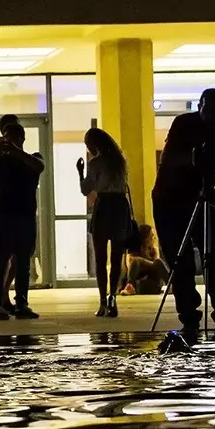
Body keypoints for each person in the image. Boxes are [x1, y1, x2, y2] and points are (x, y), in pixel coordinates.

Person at [153, 87, 215, 341]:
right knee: (181, 261)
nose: (211, 114)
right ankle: (189, 316)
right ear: (199, 106)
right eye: (207, 108)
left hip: (202, 198)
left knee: (213, 255)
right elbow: (171, 159)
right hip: (170, 200)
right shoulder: (183, 124)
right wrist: (197, 158)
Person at [0, 115, 44, 320]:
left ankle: (22, 302)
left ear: (22, 138)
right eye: (6, 137)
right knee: (1, 260)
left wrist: (16, 152)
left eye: (12, 137)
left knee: (24, 261)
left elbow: (39, 166)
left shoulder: (32, 158)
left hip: (25, 216)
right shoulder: (0, 162)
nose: (8, 141)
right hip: (4, 216)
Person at [78, 126, 132, 319]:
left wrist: (80, 172)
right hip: (120, 207)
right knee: (116, 259)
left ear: (93, 145)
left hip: (104, 207)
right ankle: (113, 299)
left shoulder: (95, 163)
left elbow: (86, 189)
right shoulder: (120, 161)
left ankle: (103, 302)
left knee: (101, 259)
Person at [125, 225, 169, 295]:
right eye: (151, 235)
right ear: (145, 237)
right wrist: (144, 250)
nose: (154, 237)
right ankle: (130, 286)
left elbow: (156, 265)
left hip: (151, 274)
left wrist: (151, 255)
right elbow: (129, 265)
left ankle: (171, 284)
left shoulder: (153, 249)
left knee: (158, 261)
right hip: (139, 274)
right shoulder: (134, 249)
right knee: (136, 260)